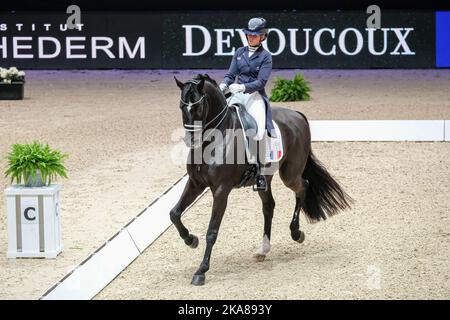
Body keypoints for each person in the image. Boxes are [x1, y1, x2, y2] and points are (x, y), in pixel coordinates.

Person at [219, 17, 275, 191]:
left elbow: (261, 82)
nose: (251, 38)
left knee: (257, 130)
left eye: (255, 35)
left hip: (254, 96)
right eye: (249, 35)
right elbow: (230, 75)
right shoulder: (239, 52)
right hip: (236, 93)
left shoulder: (266, 57)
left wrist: (243, 86)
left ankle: (259, 172)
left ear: (263, 37)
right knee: (220, 117)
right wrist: (224, 85)